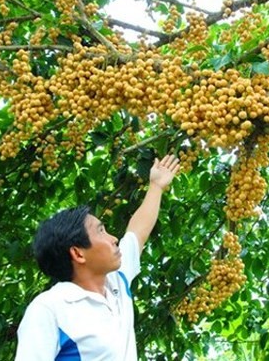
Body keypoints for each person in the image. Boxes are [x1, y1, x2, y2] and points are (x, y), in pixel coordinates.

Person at [15, 155, 180, 361]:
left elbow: (137, 232)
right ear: (78, 253)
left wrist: (156, 186)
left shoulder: (116, 283)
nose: (113, 238)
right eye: (101, 231)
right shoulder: (50, 309)